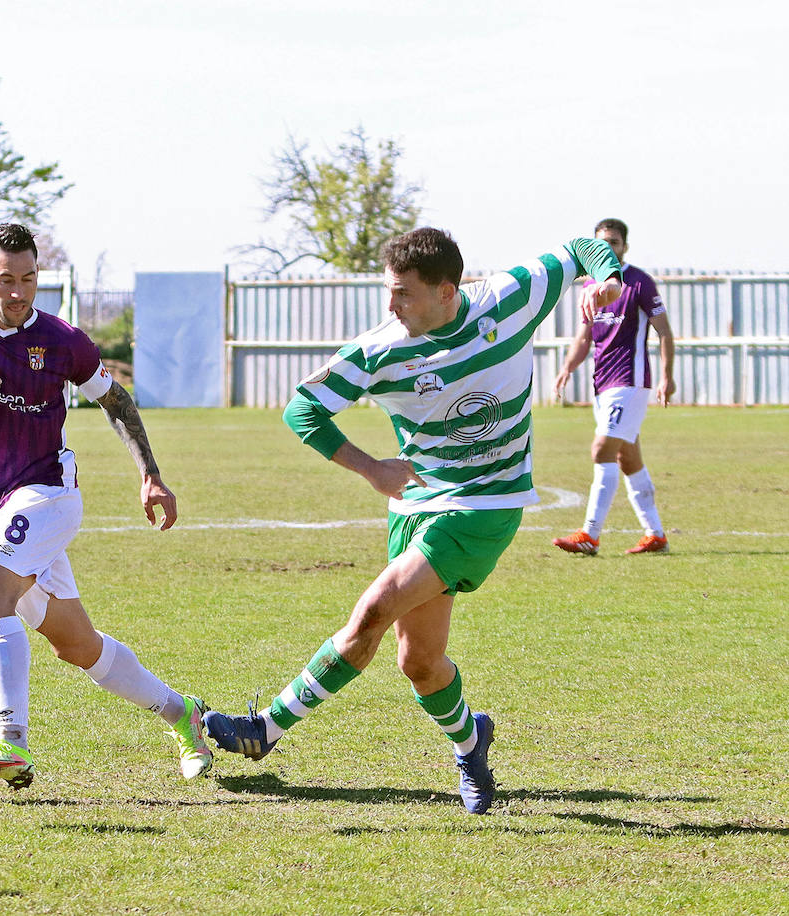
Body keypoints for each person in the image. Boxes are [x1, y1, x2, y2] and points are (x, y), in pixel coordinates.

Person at [202, 228, 625, 814]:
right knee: (418, 662)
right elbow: (302, 409)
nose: (391, 306)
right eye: (388, 292)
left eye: (403, 294)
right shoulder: (381, 348)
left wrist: (606, 277)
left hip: (485, 505)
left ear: (447, 290)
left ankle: (264, 729)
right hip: (418, 506)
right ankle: (472, 744)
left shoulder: (509, 297)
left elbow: (581, 246)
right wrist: (371, 467)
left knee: (373, 609)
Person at [0, 223, 211, 788]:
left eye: (29, 278)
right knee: (78, 646)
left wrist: (151, 475)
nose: (18, 292)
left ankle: (12, 740)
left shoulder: (63, 341)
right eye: (5, 279)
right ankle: (185, 714)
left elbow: (116, 401)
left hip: (49, 495)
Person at [552, 218, 675, 556]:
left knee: (601, 450)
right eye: (602, 243)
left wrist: (667, 376)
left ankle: (590, 535)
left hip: (630, 381)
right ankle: (656, 535)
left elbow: (664, 331)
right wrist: (565, 369)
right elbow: (584, 337)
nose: (608, 248)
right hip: (603, 383)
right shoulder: (592, 285)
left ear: (625, 246)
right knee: (627, 458)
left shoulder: (639, 283)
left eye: (614, 242)